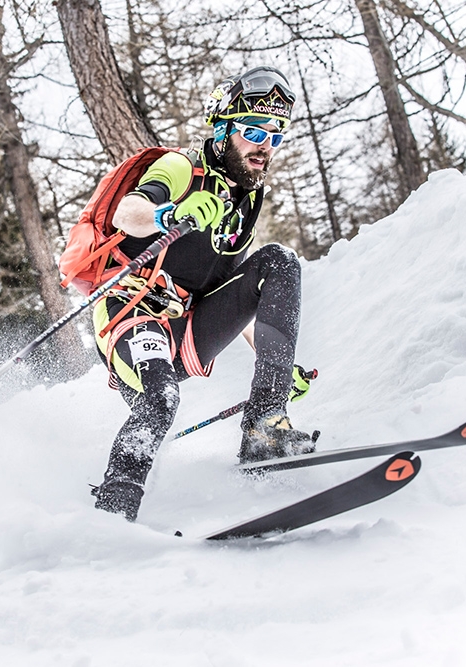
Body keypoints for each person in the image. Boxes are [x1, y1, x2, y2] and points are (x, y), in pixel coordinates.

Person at [91, 66, 316, 522]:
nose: (264, 146)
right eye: (253, 131)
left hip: (186, 327)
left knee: (279, 262)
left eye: (275, 134)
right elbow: (127, 214)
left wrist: (275, 366)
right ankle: (112, 514)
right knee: (159, 401)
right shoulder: (180, 167)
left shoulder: (246, 201)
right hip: (133, 313)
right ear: (223, 129)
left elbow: (237, 290)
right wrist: (168, 214)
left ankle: (265, 427)